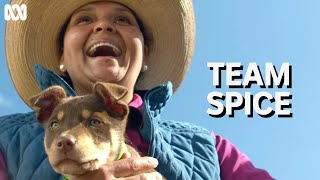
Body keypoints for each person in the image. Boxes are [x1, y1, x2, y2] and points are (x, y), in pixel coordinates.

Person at [0, 0, 274, 180]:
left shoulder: (211, 149)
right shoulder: (6, 139)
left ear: (145, 55)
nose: (103, 25)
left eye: (123, 19)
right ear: (61, 54)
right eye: (83, 19)